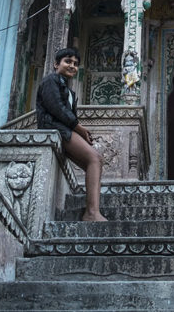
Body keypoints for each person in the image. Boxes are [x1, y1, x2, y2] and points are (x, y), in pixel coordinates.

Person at [35, 47, 107, 221]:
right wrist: (79, 128)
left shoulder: (69, 91)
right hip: (54, 128)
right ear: (56, 64)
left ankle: (93, 209)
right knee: (94, 159)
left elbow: (67, 114)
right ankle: (91, 213)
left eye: (75, 64)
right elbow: (56, 109)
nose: (72, 66)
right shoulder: (50, 81)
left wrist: (80, 133)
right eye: (68, 61)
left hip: (65, 130)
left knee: (96, 161)